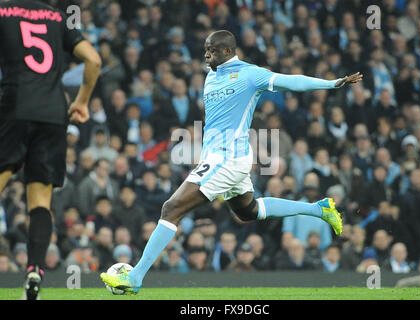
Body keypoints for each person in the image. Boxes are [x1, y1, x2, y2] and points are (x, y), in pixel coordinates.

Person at [101, 30, 362, 293]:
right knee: (248, 211)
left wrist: (331, 84)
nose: (205, 55)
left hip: (226, 158)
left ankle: (135, 278)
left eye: (211, 50)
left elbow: (291, 81)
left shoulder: (250, 74)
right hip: (224, 158)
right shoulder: (211, 75)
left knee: (171, 208)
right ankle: (320, 209)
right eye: (205, 49)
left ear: (227, 51)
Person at [0, 0, 101, 299]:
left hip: (15, 106)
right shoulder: (58, 17)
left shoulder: (3, 12)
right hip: (54, 113)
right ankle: (34, 271)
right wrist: (81, 101)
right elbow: (94, 60)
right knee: (40, 201)